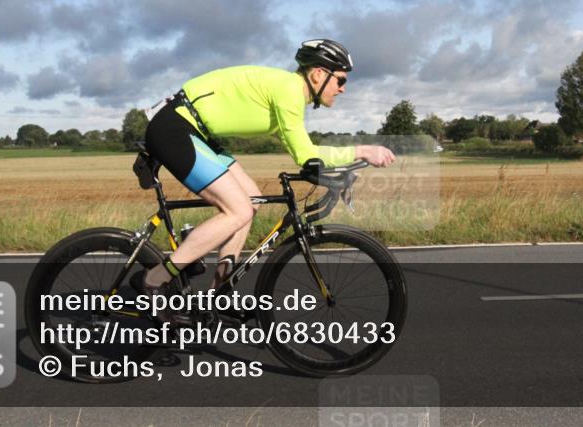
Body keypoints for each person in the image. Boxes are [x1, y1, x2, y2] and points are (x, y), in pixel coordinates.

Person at [137, 39, 395, 318]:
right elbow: (305, 154)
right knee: (239, 209)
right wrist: (364, 151)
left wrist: (340, 171)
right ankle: (153, 280)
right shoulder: (289, 90)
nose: (343, 88)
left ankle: (218, 293)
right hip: (175, 128)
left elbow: (308, 158)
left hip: (196, 131)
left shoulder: (291, 94)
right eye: (341, 79)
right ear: (319, 74)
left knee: (250, 199)